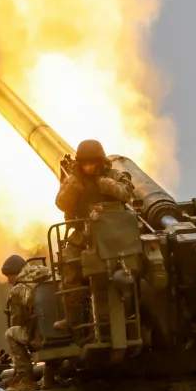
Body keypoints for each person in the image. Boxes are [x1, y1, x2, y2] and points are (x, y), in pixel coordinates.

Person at [52, 139, 134, 334]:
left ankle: (116, 318)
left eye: (92, 163)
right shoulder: (74, 181)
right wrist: (74, 186)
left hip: (112, 236)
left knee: (112, 274)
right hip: (82, 234)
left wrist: (104, 184)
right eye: (85, 164)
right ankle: (74, 321)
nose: (89, 167)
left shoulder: (114, 176)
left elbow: (126, 195)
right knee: (68, 266)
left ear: (99, 162)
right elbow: (61, 203)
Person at [1, 254, 50, 391]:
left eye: (9, 277)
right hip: (64, 331)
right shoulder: (48, 275)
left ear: (15, 273)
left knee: (11, 333)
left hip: (40, 336)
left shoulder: (18, 289)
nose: (9, 281)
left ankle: (26, 380)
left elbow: (19, 321)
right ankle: (50, 374)